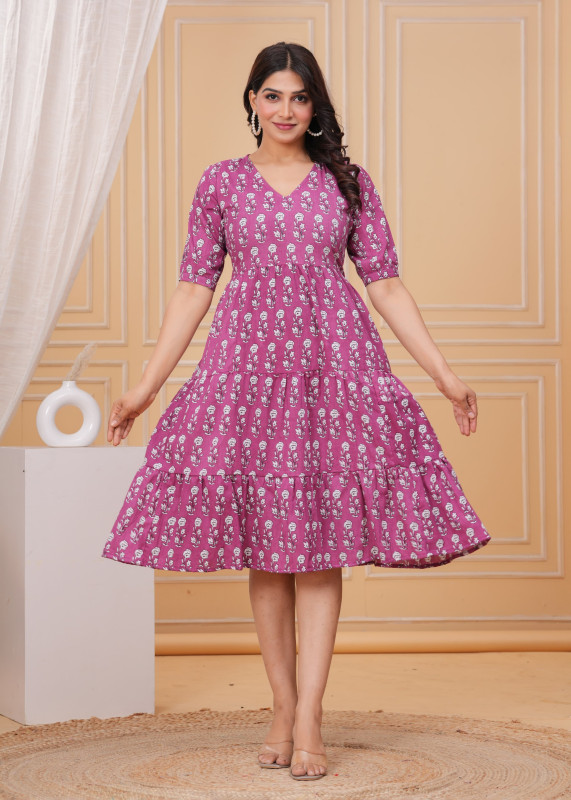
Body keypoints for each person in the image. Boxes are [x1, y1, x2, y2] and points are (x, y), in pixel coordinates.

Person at [101, 42, 491, 781]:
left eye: (300, 97)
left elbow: (384, 284)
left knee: (316, 553)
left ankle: (309, 714)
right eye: (273, 95)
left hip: (333, 372)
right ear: (252, 100)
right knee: (268, 554)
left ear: (316, 106)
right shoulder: (220, 182)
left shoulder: (347, 182)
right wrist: (145, 387)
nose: (286, 110)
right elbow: (193, 288)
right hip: (247, 374)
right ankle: (281, 706)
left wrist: (444, 375)